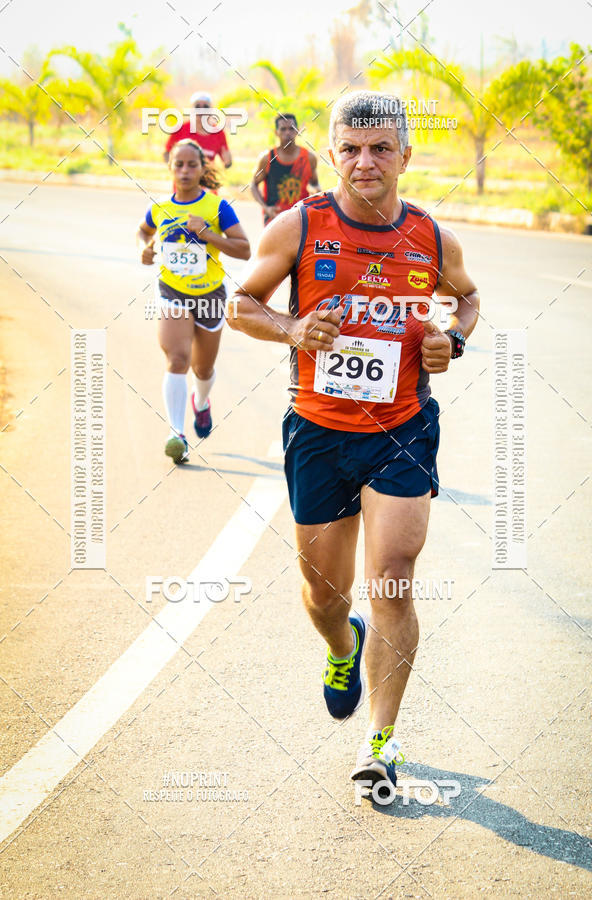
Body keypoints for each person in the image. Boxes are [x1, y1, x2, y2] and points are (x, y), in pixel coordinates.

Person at [227, 91, 480, 795]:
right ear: (333, 154)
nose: (365, 162)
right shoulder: (300, 226)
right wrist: (291, 328)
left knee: (392, 574)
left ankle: (381, 744)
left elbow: (466, 298)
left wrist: (452, 339)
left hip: (402, 429)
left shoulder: (432, 238)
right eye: (351, 149)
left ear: (405, 155)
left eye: (380, 148)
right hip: (318, 431)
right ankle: (344, 646)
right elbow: (241, 304)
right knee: (324, 593)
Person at [138, 140, 250, 463]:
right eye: (179, 164)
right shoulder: (159, 208)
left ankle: (201, 403)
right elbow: (142, 231)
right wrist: (143, 248)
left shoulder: (217, 208)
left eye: (191, 165)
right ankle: (177, 434)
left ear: (203, 169)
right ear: (170, 168)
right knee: (177, 359)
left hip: (210, 295)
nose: (185, 171)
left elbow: (244, 249)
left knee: (203, 369)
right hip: (172, 292)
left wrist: (209, 235)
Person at [251, 113, 320, 225]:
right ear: (276, 132)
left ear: (297, 131)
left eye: (291, 129)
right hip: (274, 220)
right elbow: (253, 185)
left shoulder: (309, 158)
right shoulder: (267, 158)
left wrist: (316, 191)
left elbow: (315, 183)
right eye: (283, 129)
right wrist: (266, 208)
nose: (287, 133)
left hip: (301, 220)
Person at [163, 92, 233, 169]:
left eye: (206, 107)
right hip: (184, 176)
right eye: (197, 107)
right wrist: (177, 168)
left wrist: (228, 162)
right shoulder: (180, 129)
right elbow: (167, 153)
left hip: (207, 176)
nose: (201, 110)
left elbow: (226, 162)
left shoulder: (218, 133)